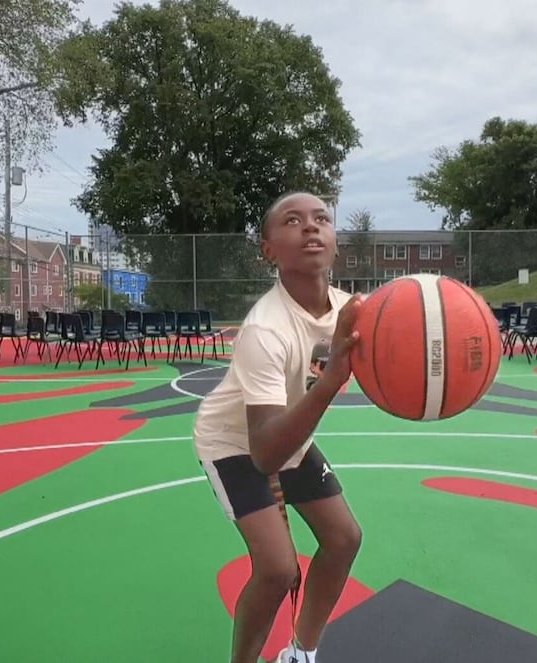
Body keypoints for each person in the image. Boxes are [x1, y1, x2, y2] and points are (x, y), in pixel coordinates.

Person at [193, 191, 364, 663]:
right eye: (292, 220)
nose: (310, 227)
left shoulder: (354, 312)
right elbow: (265, 453)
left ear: (334, 241)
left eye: (321, 219)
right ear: (269, 249)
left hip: (289, 432)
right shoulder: (265, 329)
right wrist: (329, 383)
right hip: (235, 441)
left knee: (344, 538)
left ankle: (300, 653)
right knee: (277, 570)